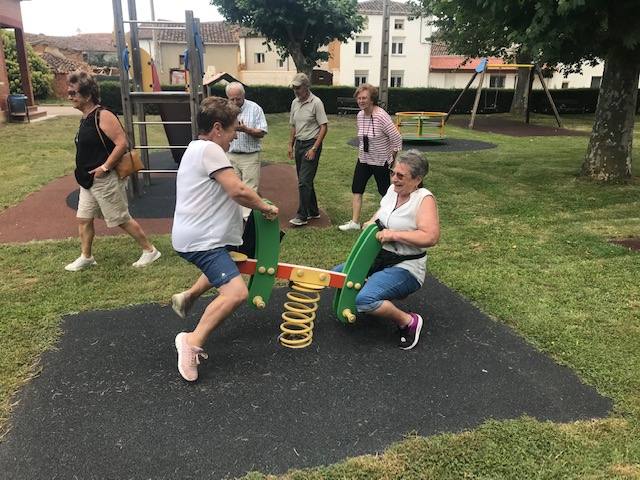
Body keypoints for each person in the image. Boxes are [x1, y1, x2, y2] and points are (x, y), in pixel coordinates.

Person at [171, 96, 279, 382]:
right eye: (233, 131)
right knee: (236, 293)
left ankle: (189, 296)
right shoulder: (210, 150)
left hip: (203, 237)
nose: (233, 138)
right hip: (201, 241)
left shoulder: (196, 148)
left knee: (232, 259)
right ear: (217, 128)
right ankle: (191, 341)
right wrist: (265, 207)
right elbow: (238, 190)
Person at [335, 150, 439, 350]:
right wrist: (371, 222)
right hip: (381, 258)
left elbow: (430, 237)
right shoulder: (393, 191)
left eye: (401, 176)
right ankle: (373, 285)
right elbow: (382, 213)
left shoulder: (423, 199)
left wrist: (393, 234)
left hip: (406, 266)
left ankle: (408, 321)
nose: (394, 179)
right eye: (393, 173)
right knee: (338, 275)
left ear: (417, 179)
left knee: (364, 300)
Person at [64, 70, 161, 272]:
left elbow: (121, 143)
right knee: (83, 218)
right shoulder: (86, 117)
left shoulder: (103, 115)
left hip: (104, 178)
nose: (69, 96)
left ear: (87, 95)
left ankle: (150, 250)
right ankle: (86, 256)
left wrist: (105, 167)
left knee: (120, 218)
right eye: (69, 92)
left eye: (73, 93)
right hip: (87, 180)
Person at [339, 83, 402, 232]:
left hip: (380, 161)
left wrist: (392, 159)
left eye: (364, 98)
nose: (361, 101)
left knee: (385, 192)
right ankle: (354, 222)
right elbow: (363, 138)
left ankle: (388, 221)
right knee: (357, 188)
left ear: (372, 99)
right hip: (364, 159)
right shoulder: (360, 115)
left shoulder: (381, 116)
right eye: (359, 98)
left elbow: (397, 139)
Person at [287, 73, 328, 226]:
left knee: (304, 181)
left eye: (298, 87)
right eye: (294, 88)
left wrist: (314, 148)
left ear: (306, 87)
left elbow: (324, 127)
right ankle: (313, 211)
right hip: (299, 144)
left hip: (312, 143)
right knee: (305, 180)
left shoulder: (316, 102)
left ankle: (302, 216)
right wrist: (290, 145)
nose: (296, 90)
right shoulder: (294, 103)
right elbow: (293, 125)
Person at [225, 82, 268, 220]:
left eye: (238, 98)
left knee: (249, 190)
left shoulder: (255, 108)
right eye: (232, 99)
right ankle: (233, 219)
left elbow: (262, 132)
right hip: (230, 155)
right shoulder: (224, 110)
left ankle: (247, 222)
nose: (235, 102)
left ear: (243, 95)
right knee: (232, 189)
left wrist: (246, 130)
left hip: (250, 156)